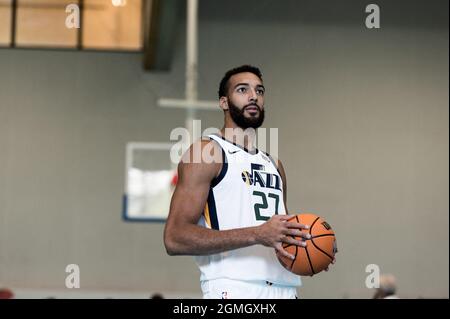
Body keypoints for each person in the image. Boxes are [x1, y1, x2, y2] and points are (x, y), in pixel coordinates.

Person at [164, 65, 333, 299]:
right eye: (242, 90)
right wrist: (257, 234)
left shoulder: (274, 164)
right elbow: (175, 238)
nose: (254, 96)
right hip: (234, 288)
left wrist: (311, 249)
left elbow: (280, 235)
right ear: (224, 102)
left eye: (259, 91)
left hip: (286, 288)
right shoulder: (206, 152)